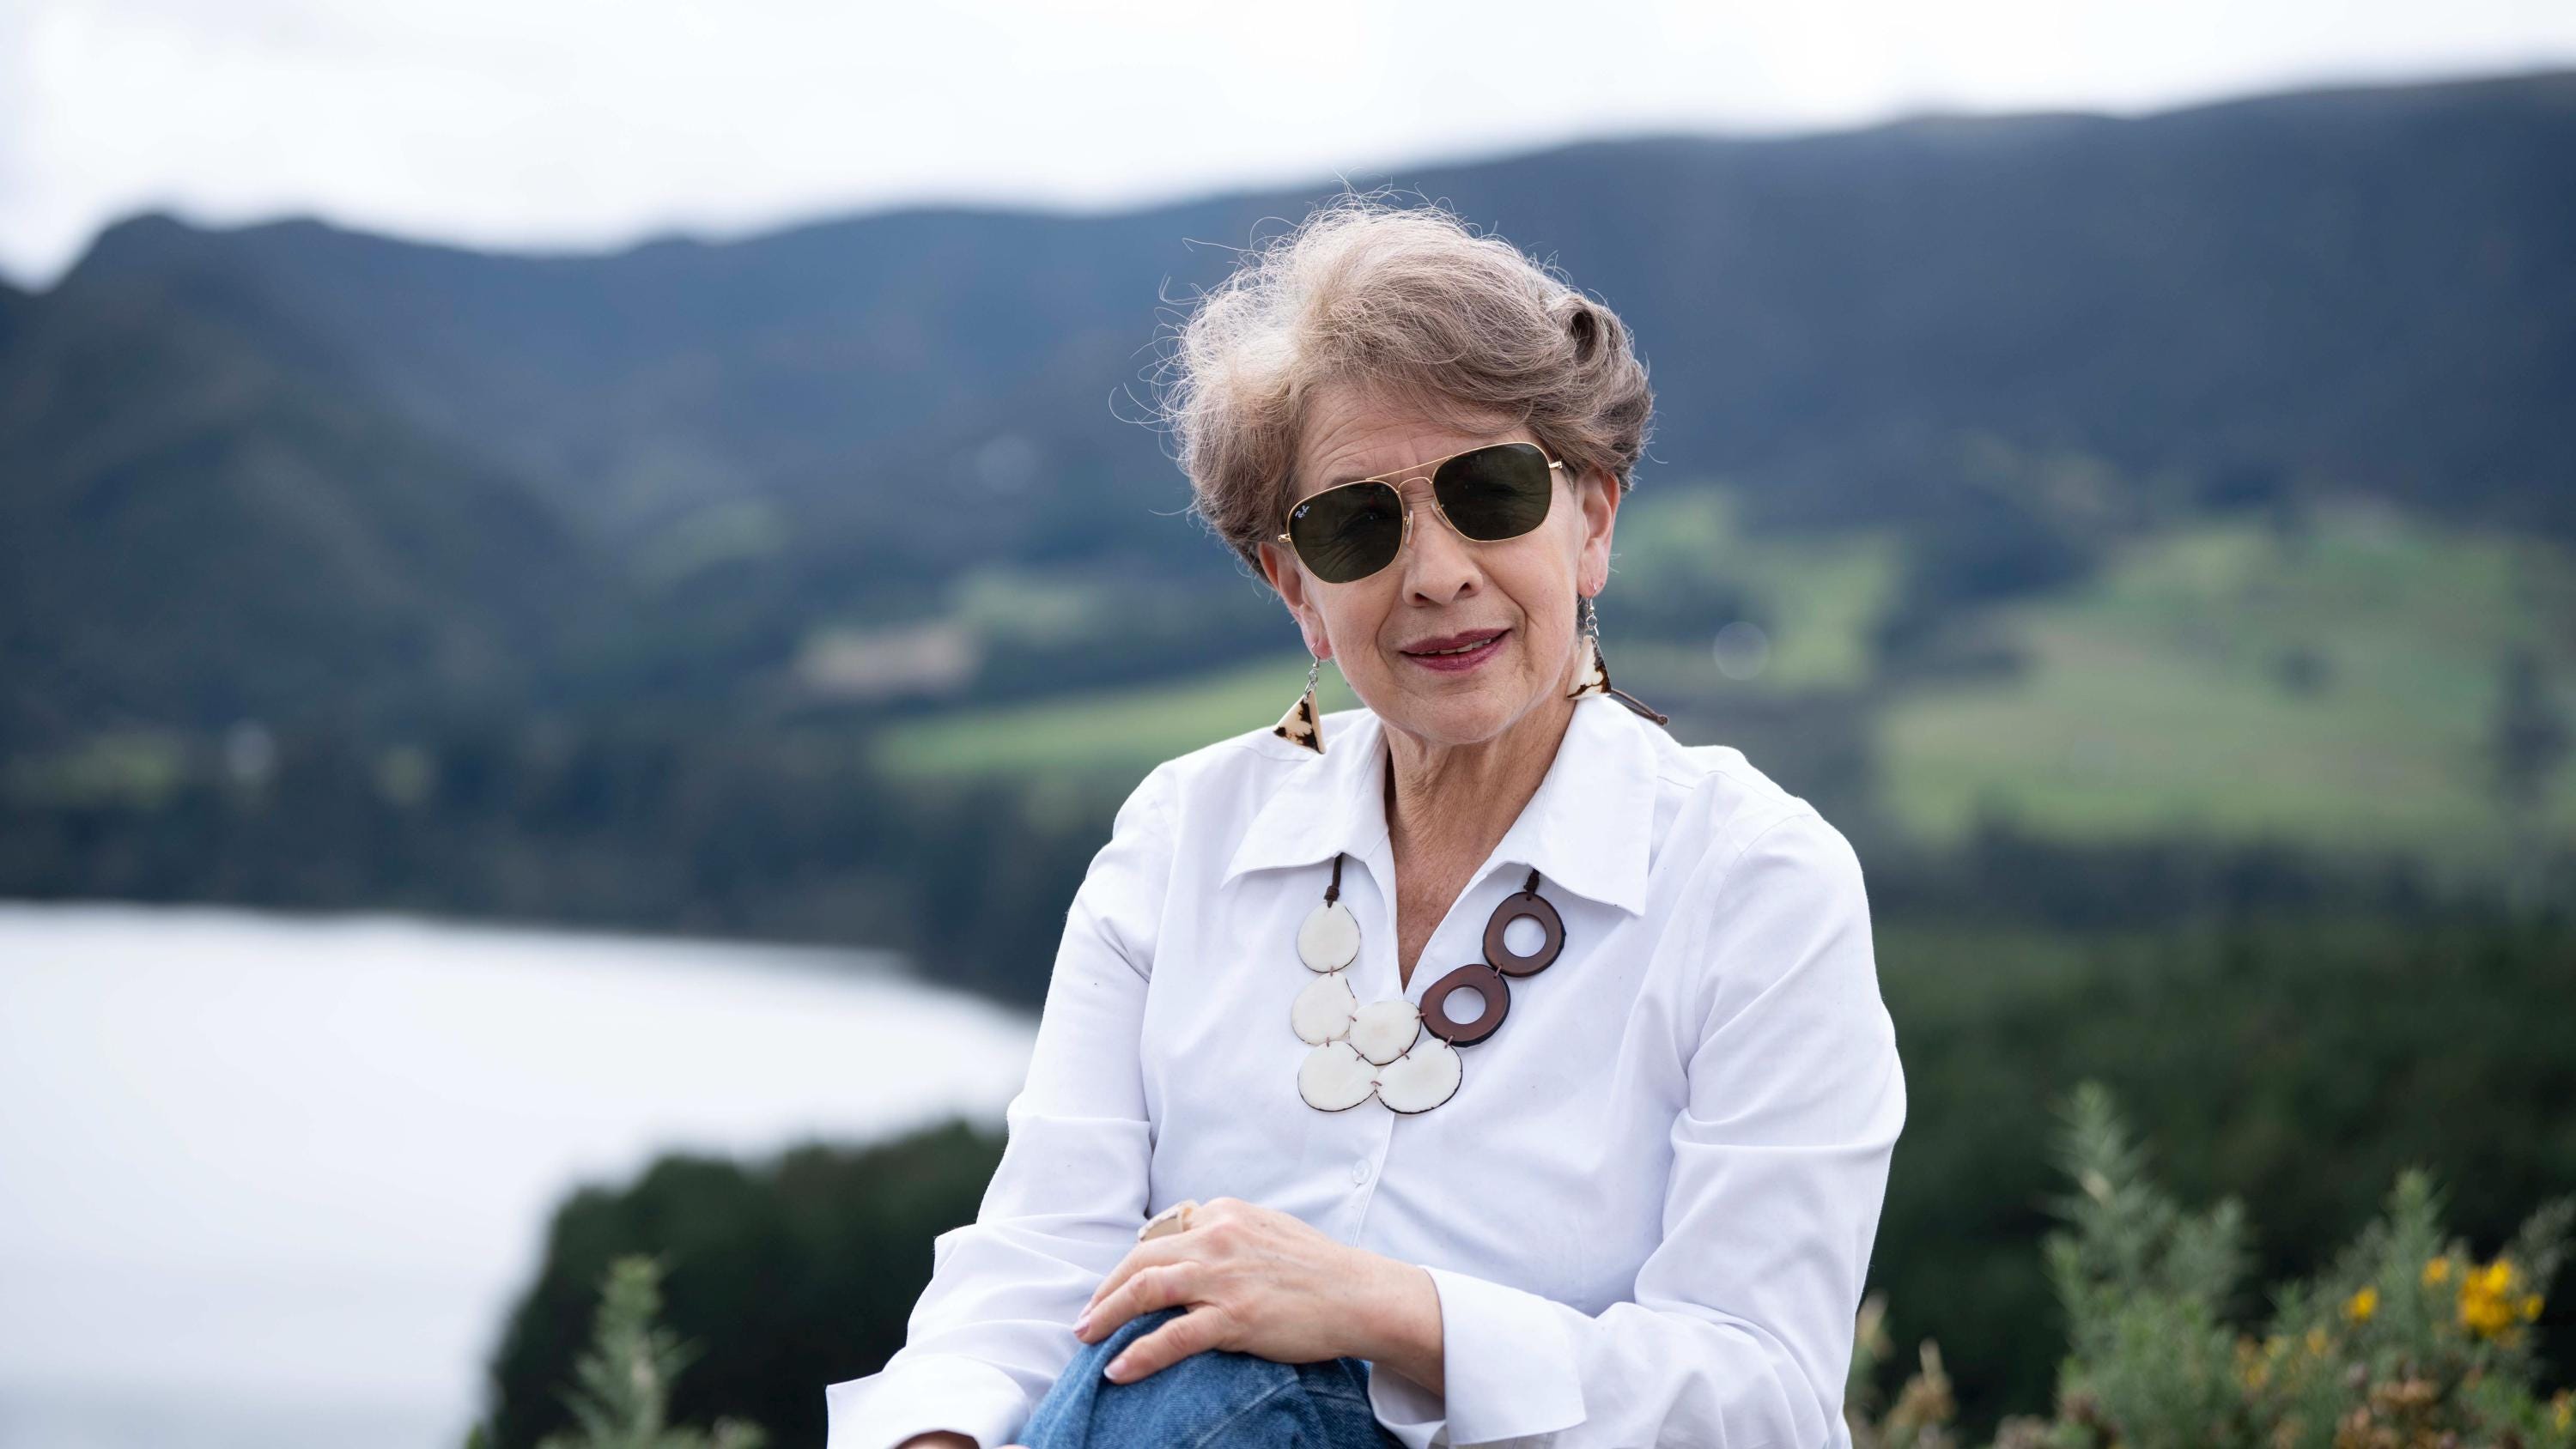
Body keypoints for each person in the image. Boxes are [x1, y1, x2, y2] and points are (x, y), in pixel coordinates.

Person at [825, 192, 1907, 1449]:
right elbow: (1039, 1263)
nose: (1437, 573)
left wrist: (1387, 1313)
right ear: (1296, 588)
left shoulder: (1756, 882)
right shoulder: (1182, 838)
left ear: (1593, 523)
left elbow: (1765, 1395)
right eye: (1357, 524)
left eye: (1492, 490)